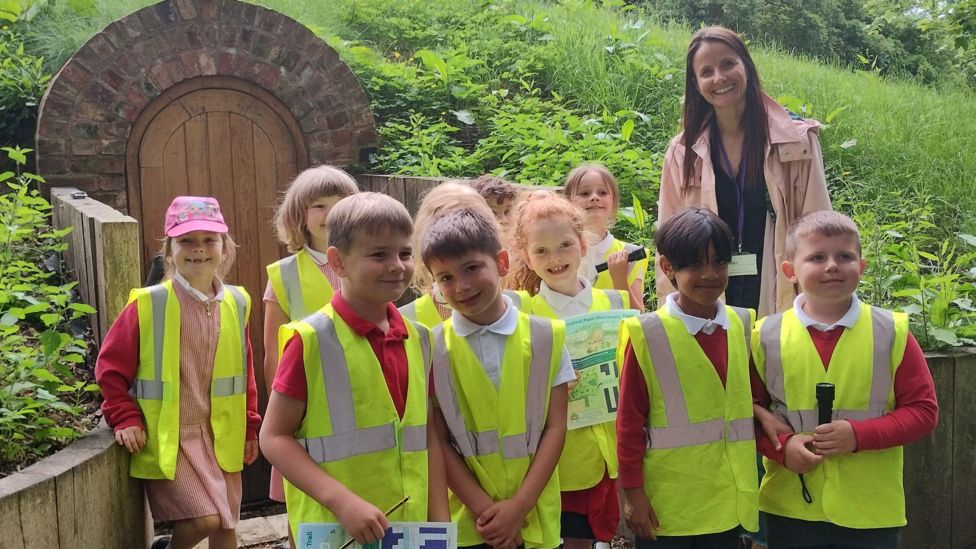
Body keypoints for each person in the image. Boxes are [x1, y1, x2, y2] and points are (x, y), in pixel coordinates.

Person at [259, 192, 449, 542]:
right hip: (336, 531)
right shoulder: (311, 340)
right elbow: (273, 437)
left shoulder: (420, 339)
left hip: (410, 531)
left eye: (405, 253)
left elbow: (427, 436)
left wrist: (439, 527)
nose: (397, 265)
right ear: (338, 261)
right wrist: (342, 502)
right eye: (379, 254)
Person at [751, 210, 938, 549]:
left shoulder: (892, 333)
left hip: (870, 511)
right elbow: (746, 414)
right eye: (817, 257)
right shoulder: (765, 336)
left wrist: (857, 435)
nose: (832, 265)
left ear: (862, 267)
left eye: (844, 256)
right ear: (790, 271)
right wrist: (783, 449)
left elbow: (924, 412)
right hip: (790, 508)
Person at [95, 196, 261, 549]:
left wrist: (249, 424)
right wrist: (123, 416)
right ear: (169, 251)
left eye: (208, 240)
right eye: (186, 241)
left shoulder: (237, 302)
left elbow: (244, 371)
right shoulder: (149, 303)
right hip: (171, 438)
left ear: (224, 248)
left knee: (227, 526)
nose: (198, 249)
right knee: (206, 518)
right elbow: (109, 367)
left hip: (221, 435)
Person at [421, 206, 572, 548]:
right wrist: (487, 511)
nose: (461, 286)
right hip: (470, 524)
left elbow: (556, 427)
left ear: (502, 263)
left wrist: (519, 507)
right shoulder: (430, 348)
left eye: (471, 268)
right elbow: (438, 439)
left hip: (535, 519)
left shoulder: (547, 337)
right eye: (445, 277)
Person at [657, 26, 831, 318]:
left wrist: (823, 309)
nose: (719, 78)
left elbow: (820, 230)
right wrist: (671, 317)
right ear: (696, 83)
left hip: (780, 286)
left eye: (728, 64)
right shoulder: (682, 152)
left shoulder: (796, 142)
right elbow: (669, 240)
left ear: (746, 67)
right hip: (707, 289)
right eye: (706, 71)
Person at [617, 207, 759, 547]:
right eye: (695, 263)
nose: (710, 274)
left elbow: (752, 404)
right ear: (668, 267)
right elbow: (628, 423)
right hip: (668, 508)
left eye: (720, 262)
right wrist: (633, 495)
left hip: (729, 503)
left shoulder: (742, 325)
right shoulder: (647, 334)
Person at [507, 190, 631, 549]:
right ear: (527, 259)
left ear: (583, 245)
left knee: (598, 537)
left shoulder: (614, 302)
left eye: (564, 245)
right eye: (541, 251)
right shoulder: (524, 315)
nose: (555, 258)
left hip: (611, 454)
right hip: (558, 462)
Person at [263, 165, 358, 510]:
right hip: (305, 407)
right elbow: (273, 356)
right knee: (304, 508)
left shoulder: (368, 262)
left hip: (362, 403)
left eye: (340, 202)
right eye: (319, 205)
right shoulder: (283, 276)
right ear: (299, 216)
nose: (331, 213)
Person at [401, 181, 531, 327]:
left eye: (469, 218)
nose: (457, 230)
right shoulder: (408, 319)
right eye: (442, 222)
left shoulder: (524, 304)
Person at [563, 163, 648, 311]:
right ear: (568, 202)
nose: (594, 198)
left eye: (602, 193)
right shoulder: (559, 251)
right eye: (585, 193)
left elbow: (639, 315)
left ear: (614, 202)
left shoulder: (631, 253)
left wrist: (620, 278)